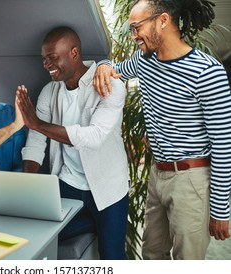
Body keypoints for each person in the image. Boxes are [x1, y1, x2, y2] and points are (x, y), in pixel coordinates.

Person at [93, 0, 231, 259]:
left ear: (163, 20)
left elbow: (224, 145)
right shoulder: (144, 61)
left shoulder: (207, 72)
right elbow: (116, 70)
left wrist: (221, 211)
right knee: (152, 255)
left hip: (192, 179)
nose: (133, 36)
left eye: (136, 27)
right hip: (158, 175)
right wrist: (103, 64)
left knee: (186, 262)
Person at [16, 26, 130, 259]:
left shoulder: (109, 85)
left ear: (74, 53)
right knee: (39, 238)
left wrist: (37, 123)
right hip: (67, 184)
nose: (47, 64)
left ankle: (99, 223)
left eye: (52, 58)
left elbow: (93, 137)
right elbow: (36, 140)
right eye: (44, 59)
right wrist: (26, 187)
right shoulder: (49, 92)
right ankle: (91, 222)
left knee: (112, 256)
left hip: (108, 189)